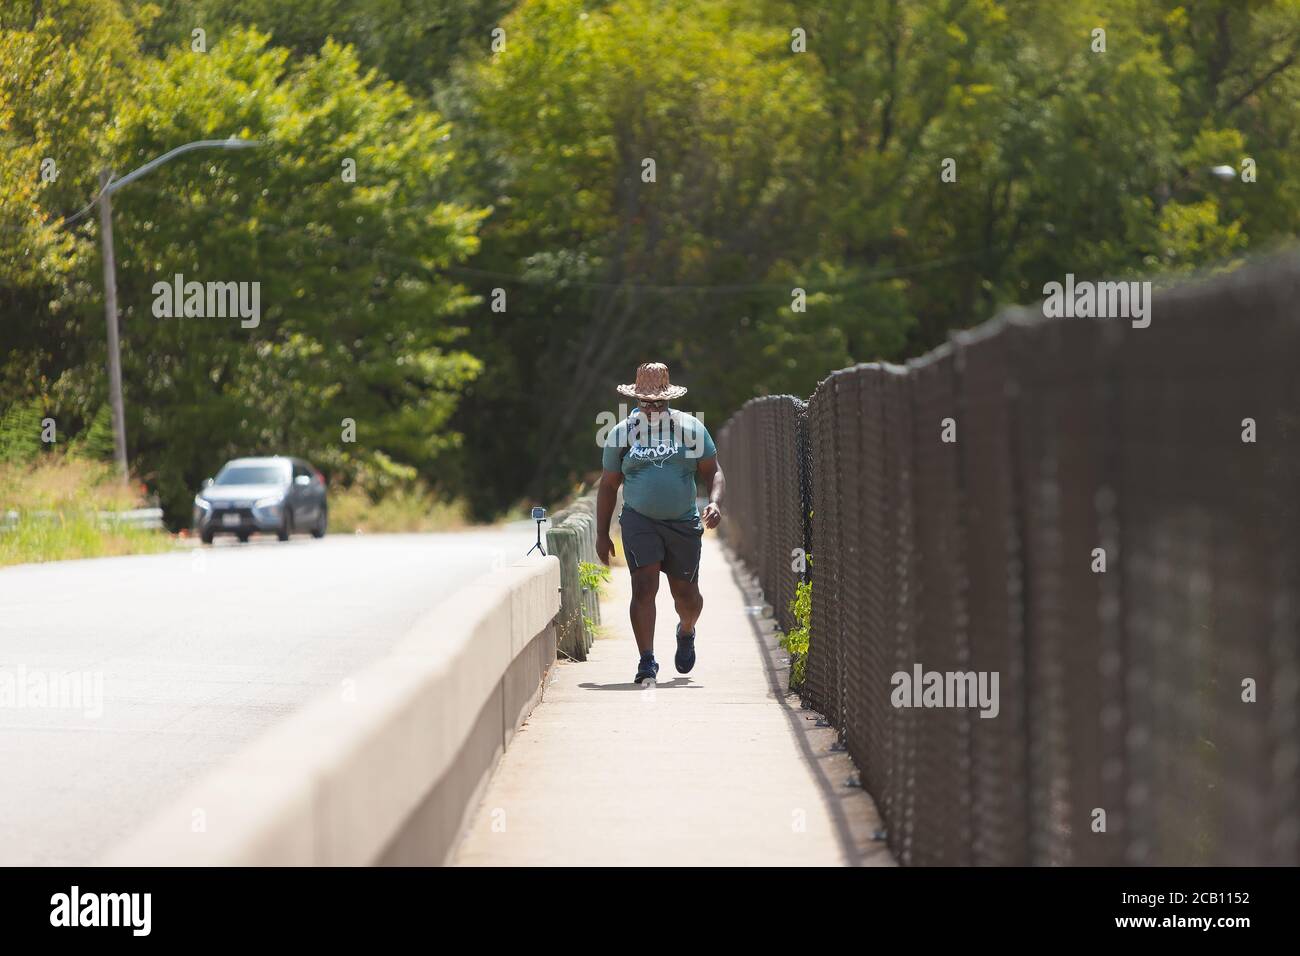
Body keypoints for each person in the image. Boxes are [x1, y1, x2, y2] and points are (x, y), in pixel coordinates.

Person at [596, 363, 724, 684]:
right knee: (643, 587)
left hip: (682, 523)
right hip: (640, 521)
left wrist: (715, 502)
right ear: (636, 400)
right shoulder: (622, 434)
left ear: (668, 400)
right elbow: (609, 485)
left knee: (686, 597)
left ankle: (686, 629)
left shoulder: (690, 429)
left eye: (658, 403)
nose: (652, 408)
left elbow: (713, 471)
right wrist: (601, 533)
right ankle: (646, 660)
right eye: (645, 402)